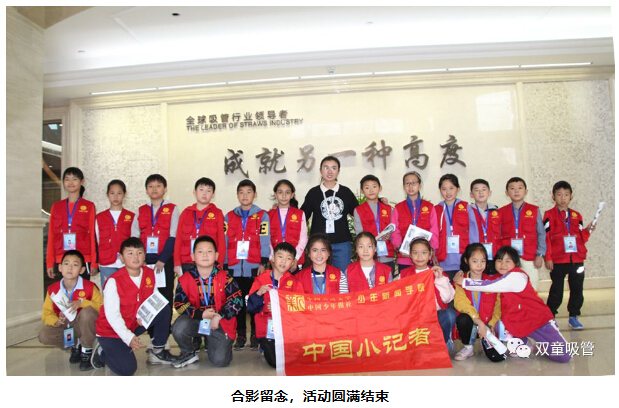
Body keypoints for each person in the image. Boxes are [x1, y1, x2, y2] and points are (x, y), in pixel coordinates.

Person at [454, 246, 571, 363]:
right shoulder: (501, 278)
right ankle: (525, 343)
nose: (503, 264)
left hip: (539, 321)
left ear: (516, 263)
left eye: (507, 261)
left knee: (564, 356)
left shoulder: (517, 276)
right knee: (500, 326)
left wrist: (464, 282)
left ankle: (544, 342)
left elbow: (490, 285)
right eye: (499, 261)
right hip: (519, 322)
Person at [92, 237, 179, 375]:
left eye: (139, 253)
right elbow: (112, 316)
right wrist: (128, 338)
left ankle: (157, 350)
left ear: (144, 255)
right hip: (111, 331)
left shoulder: (149, 273)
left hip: (134, 323)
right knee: (127, 370)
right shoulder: (113, 281)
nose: (135, 257)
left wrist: (143, 316)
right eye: (130, 253)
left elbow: (154, 299)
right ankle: (102, 351)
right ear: (121, 258)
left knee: (163, 308)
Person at [172, 235, 242, 368]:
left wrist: (219, 315)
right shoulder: (185, 279)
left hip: (219, 322)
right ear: (193, 256)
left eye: (209, 251)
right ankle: (188, 353)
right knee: (179, 328)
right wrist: (201, 314)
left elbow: (237, 301)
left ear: (216, 256)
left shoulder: (225, 277)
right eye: (200, 251)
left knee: (220, 361)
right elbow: (179, 305)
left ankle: (215, 342)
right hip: (197, 320)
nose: (205, 255)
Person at [224, 179, 271, 351]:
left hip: (254, 267)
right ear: (237, 195)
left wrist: (263, 262)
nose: (245, 195)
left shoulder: (263, 216)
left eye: (249, 192)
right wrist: (225, 264)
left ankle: (255, 335)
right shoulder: (229, 217)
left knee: (254, 301)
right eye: (241, 192)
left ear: (255, 195)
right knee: (238, 303)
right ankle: (241, 334)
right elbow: (224, 240)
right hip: (234, 267)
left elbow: (265, 239)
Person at [543, 181, 596, 329]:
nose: (563, 198)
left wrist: (588, 230)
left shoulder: (576, 216)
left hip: (576, 259)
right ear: (553, 197)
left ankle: (574, 316)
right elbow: (546, 238)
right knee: (556, 290)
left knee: (577, 289)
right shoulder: (549, 215)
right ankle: (550, 317)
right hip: (558, 260)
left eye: (566, 194)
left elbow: (581, 238)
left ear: (571, 196)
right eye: (559, 194)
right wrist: (548, 257)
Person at [39, 250, 103, 371]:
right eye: (66, 263)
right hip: (67, 325)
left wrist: (82, 303)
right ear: (60, 267)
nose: (70, 268)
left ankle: (87, 350)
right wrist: (56, 321)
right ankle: (75, 346)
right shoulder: (53, 290)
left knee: (87, 312)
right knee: (44, 335)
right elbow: (46, 314)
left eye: (75, 265)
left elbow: (102, 307)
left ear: (82, 270)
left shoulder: (89, 287)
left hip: (84, 326)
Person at [301, 156, 359, 273]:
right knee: (320, 277)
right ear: (320, 170)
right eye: (326, 168)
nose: (330, 171)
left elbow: (361, 213)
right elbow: (301, 216)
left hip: (342, 243)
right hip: (319, 244)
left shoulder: (346, 192)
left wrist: (378, 201)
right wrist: (283, 207)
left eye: (333, 168)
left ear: (338, 171)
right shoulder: (313, 193)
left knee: (343, 277)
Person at [247, 242, 300, 368]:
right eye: (280, 256)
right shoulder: (260, 280)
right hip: (266, 330)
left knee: (298, 357)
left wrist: (281, 308)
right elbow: (251, 307)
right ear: (273, 259)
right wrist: (258, 294)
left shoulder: (294, 282)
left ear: (293, 263)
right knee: (277, 362)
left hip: (287, 329)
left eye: (288, 258)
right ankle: (263, 345)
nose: (283, 261)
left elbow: (300, 307)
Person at [400, 238, 456, 351]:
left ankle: (443, 343)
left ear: (430, 255)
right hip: (413, 317)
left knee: (449, 315)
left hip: (434, 316)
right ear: (410, 255)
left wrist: (440, 279)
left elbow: (447, 299)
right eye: (415, 253)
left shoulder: (438, 273)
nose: (419, 256)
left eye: (424, 252)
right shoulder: (403, 275)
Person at [131, 174, 180, 305]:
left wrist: (163, 259)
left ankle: (166, 319)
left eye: (158, 186)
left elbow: (173, 235)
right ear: (146, 190)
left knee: (165, 293)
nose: (154, 189)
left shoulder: (172, 208)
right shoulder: (141, 210)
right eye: (151, 186)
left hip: (165, 259)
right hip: (144, 260)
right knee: (146, 292)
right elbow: (134, 236)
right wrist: (141, 259)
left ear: (165, 189)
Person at [453, 243, 504, 362]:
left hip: (487, 327)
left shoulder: (491, 282)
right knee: (463, 318)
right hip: (472, 324)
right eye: (475, 261)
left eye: (483, 261)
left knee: (497, 358)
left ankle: (484, 340)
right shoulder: (461, 281)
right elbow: (461, 304)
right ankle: (468, 347)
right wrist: (478, 322)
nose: (479, 265)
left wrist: (491, 324)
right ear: (466, 261)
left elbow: (498, 307)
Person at [46, 167, 97, 280]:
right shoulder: (56, 206)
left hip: (83, 258)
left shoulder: (89, 206)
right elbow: (52, 236)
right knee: (63, 290)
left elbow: (93, 236)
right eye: (67, 179)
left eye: (74, 179)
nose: (70, 182)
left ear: (81, 181)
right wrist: (50, 262)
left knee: (82, 290)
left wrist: (94, 262)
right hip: (61, 259)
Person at [390, 171, 439, 277]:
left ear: (420, 185)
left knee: (425, 285)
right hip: (405, 258)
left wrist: (431, 250)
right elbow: (395, 231)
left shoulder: (429, 207)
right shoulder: (398, 208)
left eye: (414, 183)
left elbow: (434, 230)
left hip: (424, 258)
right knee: (407, 286)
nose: (411, 186)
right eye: (407, 183)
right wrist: (400, 248)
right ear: (404, 186)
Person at [174, 177, 225, 274]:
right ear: (194, 192)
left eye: (208, 191)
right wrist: (177, 262)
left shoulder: (217, 213)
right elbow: (178, 239)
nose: (204, 193)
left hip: (208, 262)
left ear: (213, 195)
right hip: (187, 261)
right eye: (201, 189)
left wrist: (220, 262)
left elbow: (221, 240)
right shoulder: (186, 213)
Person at [95, 179, 134, 288]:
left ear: (124, 195)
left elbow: (134, 240)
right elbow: (96, 240)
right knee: (108, 292)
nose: (116, 197)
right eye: (112, 193)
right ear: (107, 195)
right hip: (107, 263)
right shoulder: (99, 217)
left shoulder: (131, 216)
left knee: (127, 292)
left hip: (126, 263)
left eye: (119, 193)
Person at [354, 175, 395, 270]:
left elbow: (394, 228)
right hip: (368, 255)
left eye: (374, 186)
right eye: (367, 187)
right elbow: (359, 233)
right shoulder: (358, 210)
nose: (371, 190)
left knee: (388, 278)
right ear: (362, 191)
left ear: (380, 188)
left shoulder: (388, 208)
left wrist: (389, 236)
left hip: (387, 254)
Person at [435, 174, 471, 282]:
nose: (448, 192)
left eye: (451, 188)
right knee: (446, 288)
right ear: (440, 191)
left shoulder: (466, 207)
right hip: (443, 260)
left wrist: (472, 254)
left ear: (458, 189)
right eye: (444, 189)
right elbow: (433, 234)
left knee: (462, 289)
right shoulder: (436, 209)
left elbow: (473, 232)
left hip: (463, 258)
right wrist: (433, 253)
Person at [268, 179, 308, 271]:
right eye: (280, 192)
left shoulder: (300, 214)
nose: (284, 196)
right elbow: (266, 240)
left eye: (287, 192)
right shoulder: (268, 215)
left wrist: (295, 258)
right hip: (275, 262)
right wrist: (272, 258)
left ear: (292, 195)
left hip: (295, 262)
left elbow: (303, 238)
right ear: (275, 194)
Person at [467, 179, 501, 274]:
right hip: (476, 256)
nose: (480, 192)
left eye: (484, 189)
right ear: (471, 194)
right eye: (476, 190)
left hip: (494, 254)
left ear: (489, 193)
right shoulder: (467, 212)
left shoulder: (497, 211)